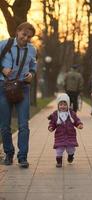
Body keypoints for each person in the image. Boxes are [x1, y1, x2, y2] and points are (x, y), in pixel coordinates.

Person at [0, 22, 37, 168]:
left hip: (23, 88)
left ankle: (23, 157)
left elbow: (34, 67)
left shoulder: (32, 50)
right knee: (4, 125)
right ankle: (8, 153)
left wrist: (31, 75)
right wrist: (2, 69)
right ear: (18, 31)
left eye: (29, 36)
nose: (26, 38)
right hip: (3, 87)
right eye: (24, 34)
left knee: (23, 124)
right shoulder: (4, 44)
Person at [48, 93, 83, 168]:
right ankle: (59, 162)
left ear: (68, 105)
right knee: (59, 150)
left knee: (71, 149)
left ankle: (70, 156)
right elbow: (53, 123)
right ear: (58, 105)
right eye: (61, 105)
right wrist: (51, 127)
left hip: (70, 135)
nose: (63, 106)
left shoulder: (71, 113)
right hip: (59, 136)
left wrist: (79, 124)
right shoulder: (55, 114)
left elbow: (76, 120)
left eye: (65, 104)